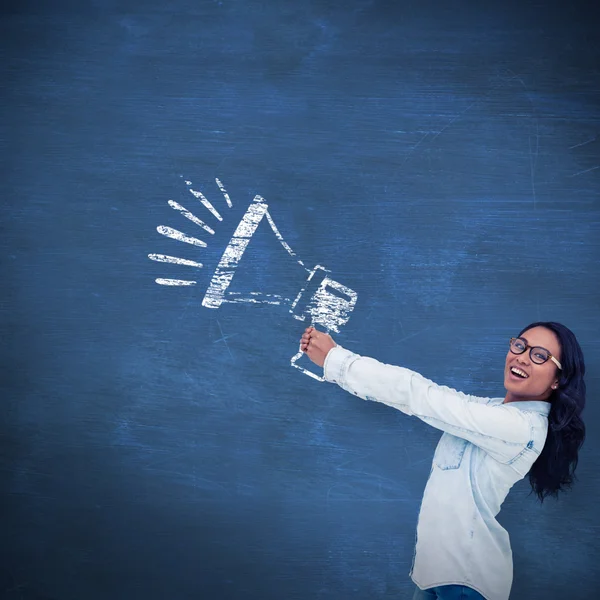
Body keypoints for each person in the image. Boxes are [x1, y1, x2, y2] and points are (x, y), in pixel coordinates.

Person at [299, 322, 586, 600]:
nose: (522, 357)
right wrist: (334, 364)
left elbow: (420, 395)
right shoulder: (488, 408)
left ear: (557, 379)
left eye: (539, 356)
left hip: (467, 581)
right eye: (520, 345)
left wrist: (338, 360)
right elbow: (417, 401)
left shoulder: (523, 427)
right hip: (434, 574)